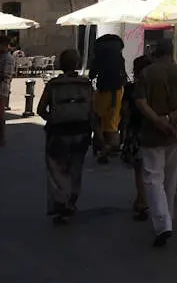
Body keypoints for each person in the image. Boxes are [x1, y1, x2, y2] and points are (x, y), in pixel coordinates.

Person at [135, 40, 177, 248]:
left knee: (152, 177)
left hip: (152, 133)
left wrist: (159, 120)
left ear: (154, 54)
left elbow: (140, 102)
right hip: (176, 132)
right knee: (170, 177)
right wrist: (171, 119)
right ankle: (168, 218)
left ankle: (162, 223)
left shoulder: (146, 74)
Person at [37, 49, 94, 225]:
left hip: (59, 132)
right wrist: (97, 135)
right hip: (81, 131)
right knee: (76, 168)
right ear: (77, 64)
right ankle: (71, 202)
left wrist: (53, 119)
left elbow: (40, 109)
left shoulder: (54, 84)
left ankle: (61, 203)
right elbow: (93, 112)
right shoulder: (86, 84)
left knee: (57, 169)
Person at [121, 55, 153, 221]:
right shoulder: (155, 87)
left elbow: (125, 112)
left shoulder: (131, 88)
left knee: (139, 169)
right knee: (152, 168)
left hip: (136, 130)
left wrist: (124, 133)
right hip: (153, 129)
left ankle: (142, 201)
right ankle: (145, 200)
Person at [89, 33, 127, 163]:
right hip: (116, 92)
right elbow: (123, 74)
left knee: (98, 120)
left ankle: (103, 146)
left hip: (102, 90)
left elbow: (92, 74)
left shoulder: (99, 56)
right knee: (112, 123)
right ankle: (108, 147)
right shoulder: (118, 57)